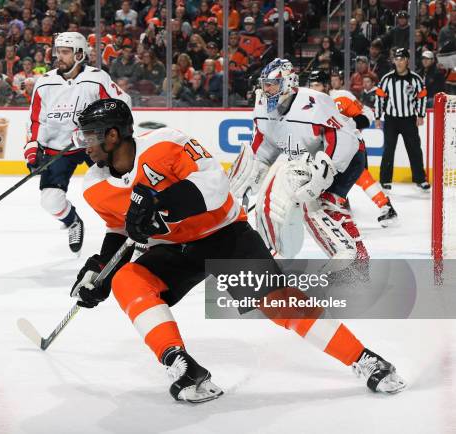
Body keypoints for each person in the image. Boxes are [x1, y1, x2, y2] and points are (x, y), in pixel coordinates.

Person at [70, 97, 406, 403]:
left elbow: (215, 186)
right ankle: (181, 365)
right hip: (176, 250)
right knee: (126, 279)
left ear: (112, 136)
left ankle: (364, 358)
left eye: (89, 135)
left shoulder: (166, 143)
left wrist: (160, 203)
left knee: (279, 304)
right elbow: (119, 230)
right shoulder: (93, 186)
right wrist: (103, 269)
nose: (84, 144)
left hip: (225, 236)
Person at [229, 59, 370, 264]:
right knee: (273, 203)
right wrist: (252, 172)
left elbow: (342, 138)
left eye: (272, 84)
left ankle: (355, 262)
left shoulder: (314, 102)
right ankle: (277, 253)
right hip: (314, 159)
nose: (266, 89)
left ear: (288, 83)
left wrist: (326, 170)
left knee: (321, 205)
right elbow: (264, 145)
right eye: (264, 84)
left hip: (348, 155)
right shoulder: (262, 107)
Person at [24, 32, 131, 254]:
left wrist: (99, 133)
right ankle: (73, 221)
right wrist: (33, 148)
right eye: (58, 52)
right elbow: (36, 119)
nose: (59, 57)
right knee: (50, 200)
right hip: (57, 147)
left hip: (93, 143)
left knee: (119, 186)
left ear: (80, 54)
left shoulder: (97, 78)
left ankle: (131, 226)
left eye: (65, 52)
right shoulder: (44, 83)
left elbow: (121, 104)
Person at [308, 69, 398, 227]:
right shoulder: (307, 102)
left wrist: (349, 124)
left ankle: (386, 206)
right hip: (326, 148)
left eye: (318, 85)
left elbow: (367, 113)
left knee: (359, 175)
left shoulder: (341, 97)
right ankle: (340, 206)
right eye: (312, 85)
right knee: (325, 177)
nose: (314, 89)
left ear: (326, 85)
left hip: (351, 145)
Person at [375, 48, 430, 191]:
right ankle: (385, 180)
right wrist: (377, 117)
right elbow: (379, 98)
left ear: (407, 60)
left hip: (409, 120)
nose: (398, 62)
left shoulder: (416, 79)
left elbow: (422, 97)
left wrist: (420, 115)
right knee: (388, 150)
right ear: (393, 61)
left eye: (401, 59)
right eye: (396, 59)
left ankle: (420, 179)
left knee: (414, 150)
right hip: (391, 119)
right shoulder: (387, 79)